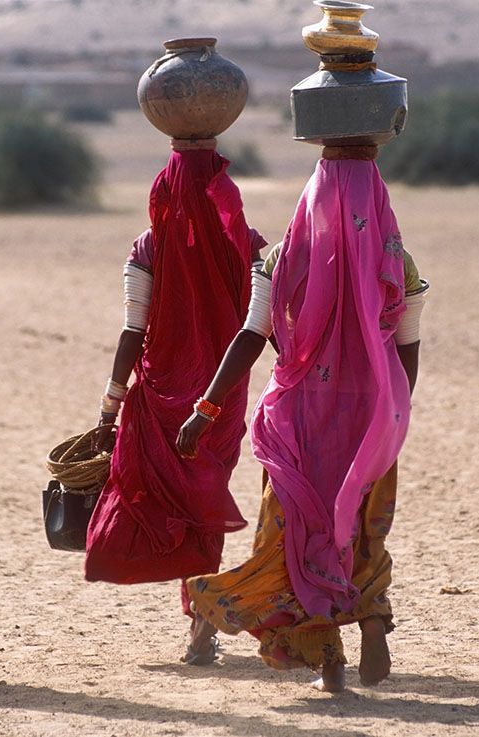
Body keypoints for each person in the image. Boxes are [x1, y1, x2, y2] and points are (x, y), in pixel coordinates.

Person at [176, 147, 428, 691]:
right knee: (362, 527)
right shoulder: (396, 260)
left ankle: (327, 657)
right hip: (372, 420)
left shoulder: (285, 258)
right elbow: (407, 348)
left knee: (293, 533)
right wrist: (394, 413)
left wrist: (207, 406)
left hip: (298, 423)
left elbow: (252, 336)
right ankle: (374, 620)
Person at [85, 146, 267, 664]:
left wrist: (108, 410)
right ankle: (201, 623)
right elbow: (266, 325)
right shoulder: (250, 246)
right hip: (221, 397)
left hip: (160, 397)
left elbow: (131, 331)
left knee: (165, 502)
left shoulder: (147, 246)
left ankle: (199, 616)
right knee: (204, 505)